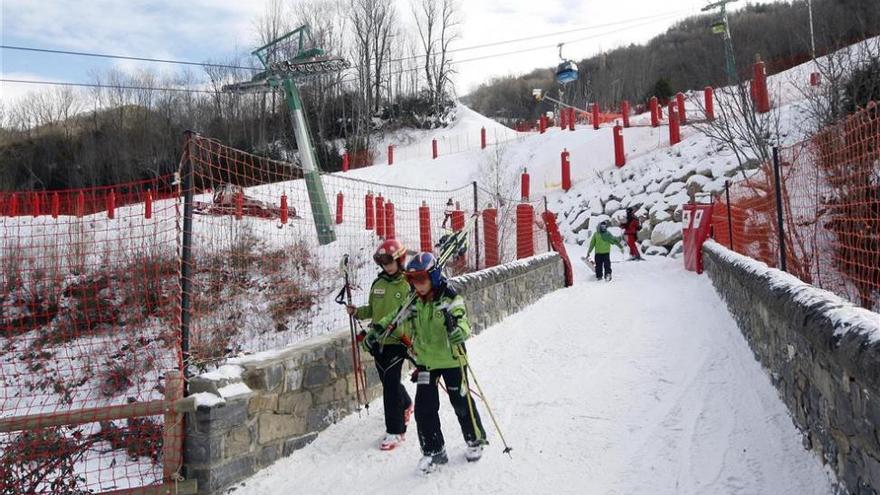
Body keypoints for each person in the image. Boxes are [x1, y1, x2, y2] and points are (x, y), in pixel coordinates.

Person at [366, 252, 487, 473]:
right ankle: (434, 451)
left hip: (451, 359)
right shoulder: (413, 302)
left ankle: (474, 439)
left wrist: (460, 331)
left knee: (460, 402)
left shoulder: (450, 299)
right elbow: (395, 317)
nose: (418, 285)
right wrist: (378, 330)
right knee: (423, 409)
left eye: (422, 279)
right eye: (413, 280)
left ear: (434, 276)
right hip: (426, 363)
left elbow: (462, 320)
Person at [348, 239, 413, 451]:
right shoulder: (378, 284)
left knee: (390, 387)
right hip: (378, 341)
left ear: (400, 260)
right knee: (388, 383)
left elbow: (412, 313)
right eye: (383, 263)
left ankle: (395, 431)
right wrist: (357, 312)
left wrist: (405, 334)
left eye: (390, 262)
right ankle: (405, 403)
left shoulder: (407, 284)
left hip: (397, 341)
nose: (387, 267)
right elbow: (373, 310)